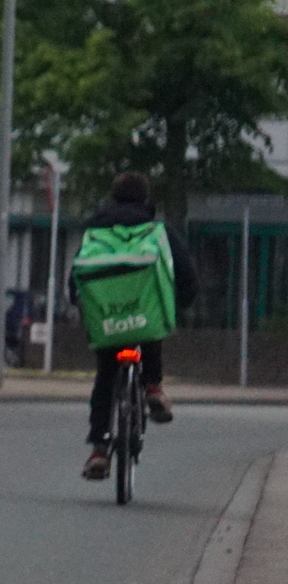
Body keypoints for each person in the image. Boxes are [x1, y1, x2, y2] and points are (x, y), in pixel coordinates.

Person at [70, 172, 197, 481]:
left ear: (113, 197)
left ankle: (99, 448)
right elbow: (184, 272)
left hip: (107, 320)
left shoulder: (95, 231)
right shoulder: (157, 231)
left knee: (105, 378)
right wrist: (182, 304)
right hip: (145, 319)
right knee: (148, 329)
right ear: (145, 199)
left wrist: (81, 307)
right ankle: (152, 387)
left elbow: (76, 275)